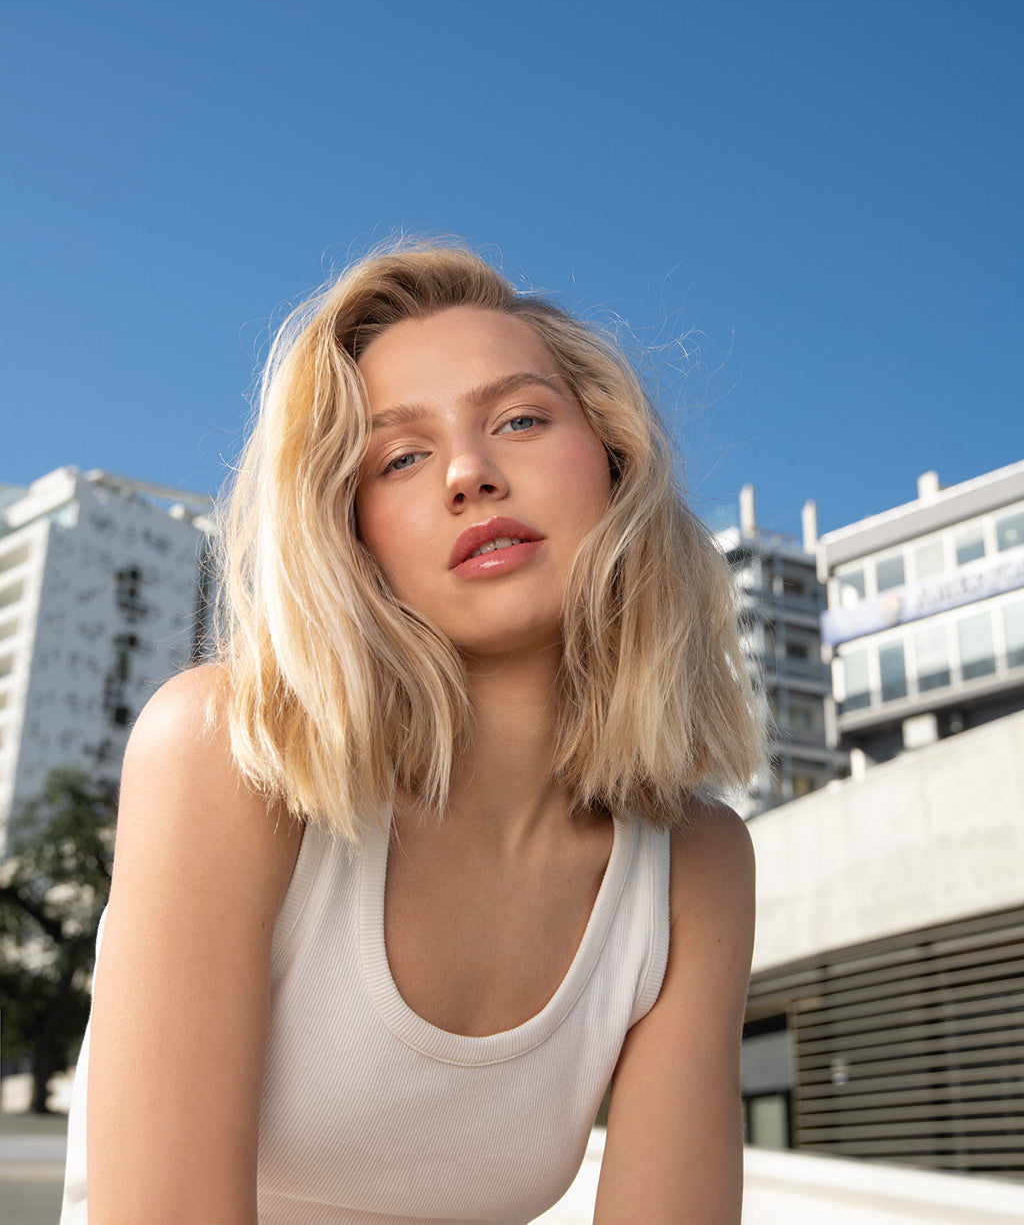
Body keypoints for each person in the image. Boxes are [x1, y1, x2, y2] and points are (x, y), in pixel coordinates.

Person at [60, 242, 762, 1224]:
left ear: (615, 462)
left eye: (519, 419)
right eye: (401, 456)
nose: (470, 473)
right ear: (349, 533)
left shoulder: (694, 864)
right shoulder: (227, 754)